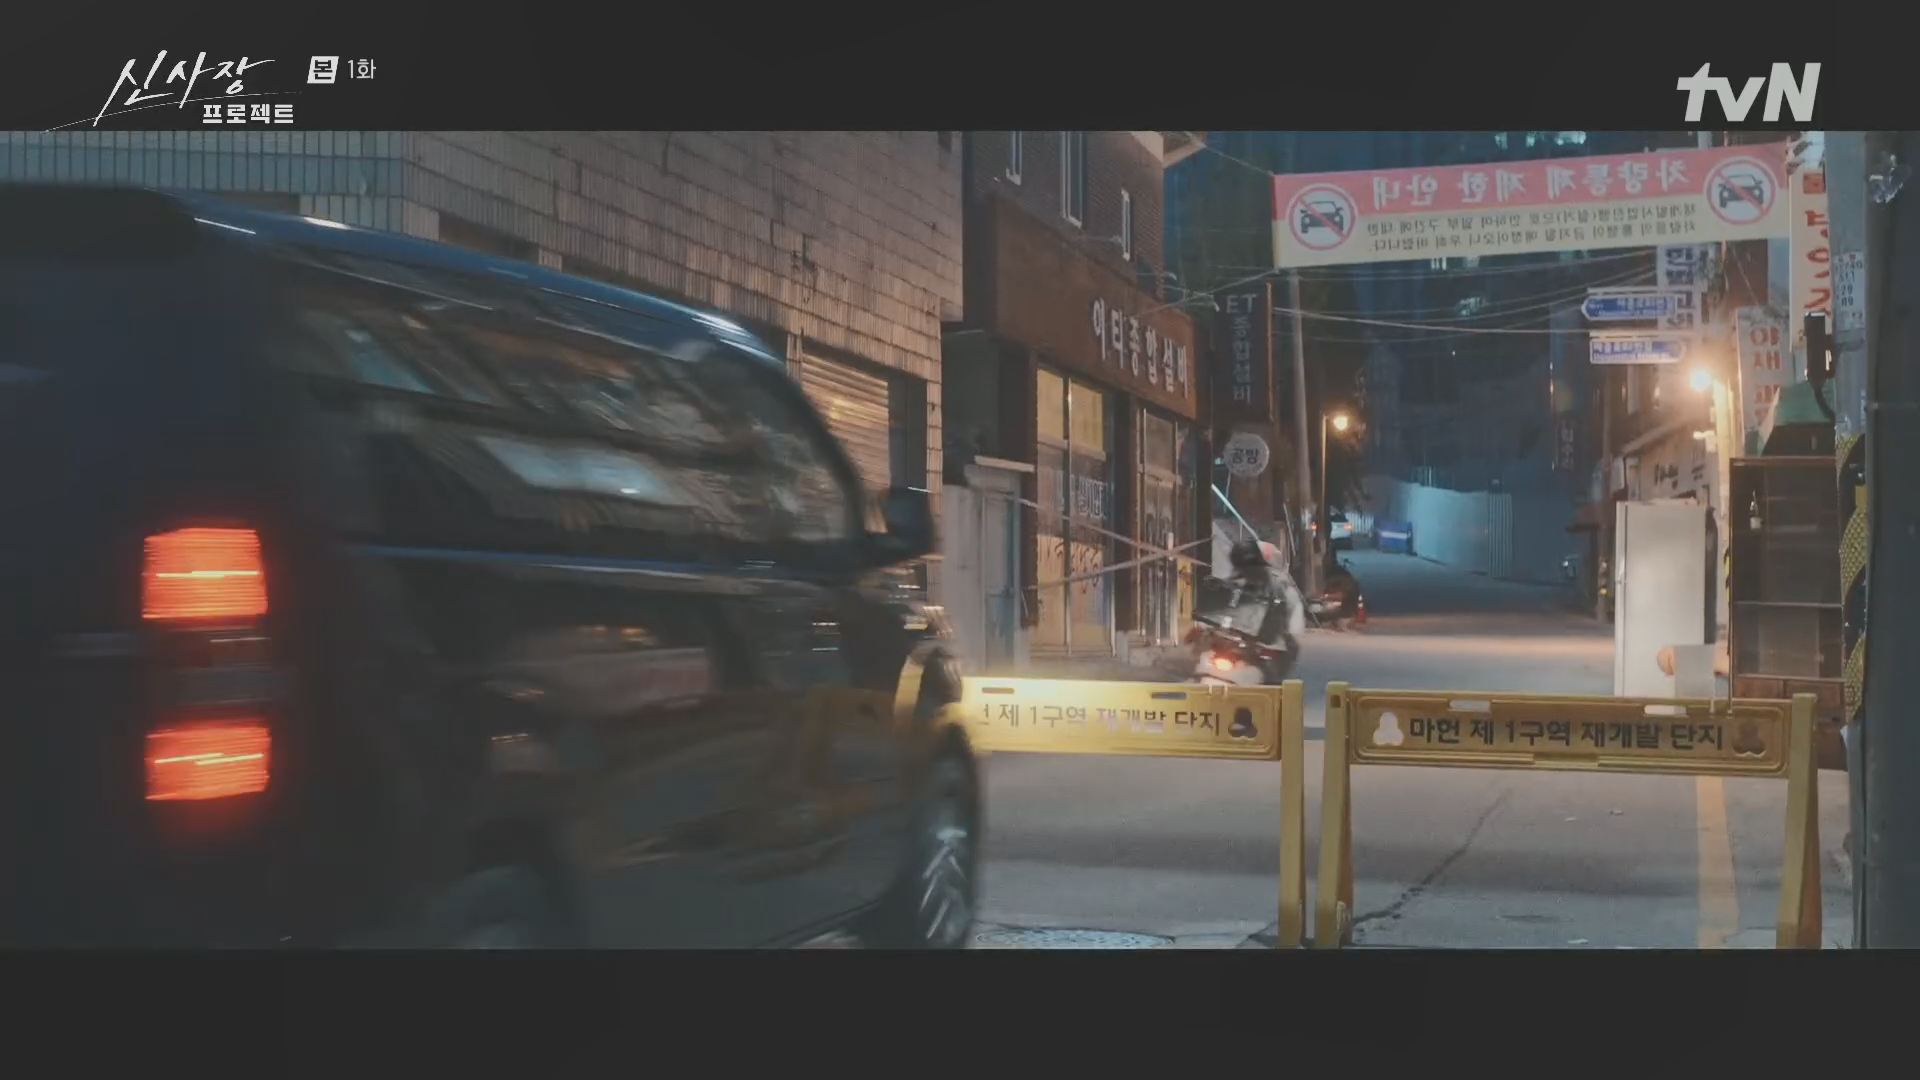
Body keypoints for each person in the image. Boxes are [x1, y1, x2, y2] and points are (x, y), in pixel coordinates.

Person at [1227, 539, 1300, 677]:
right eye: (1241, 566)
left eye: (1250, 565)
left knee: (1285, 655)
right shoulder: (1234, 582)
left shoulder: (1277, 585)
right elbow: (1222, 607)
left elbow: (1285, 612)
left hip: (1266, 638)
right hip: (1236, 636)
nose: (1246, 570)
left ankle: (1275, 684)